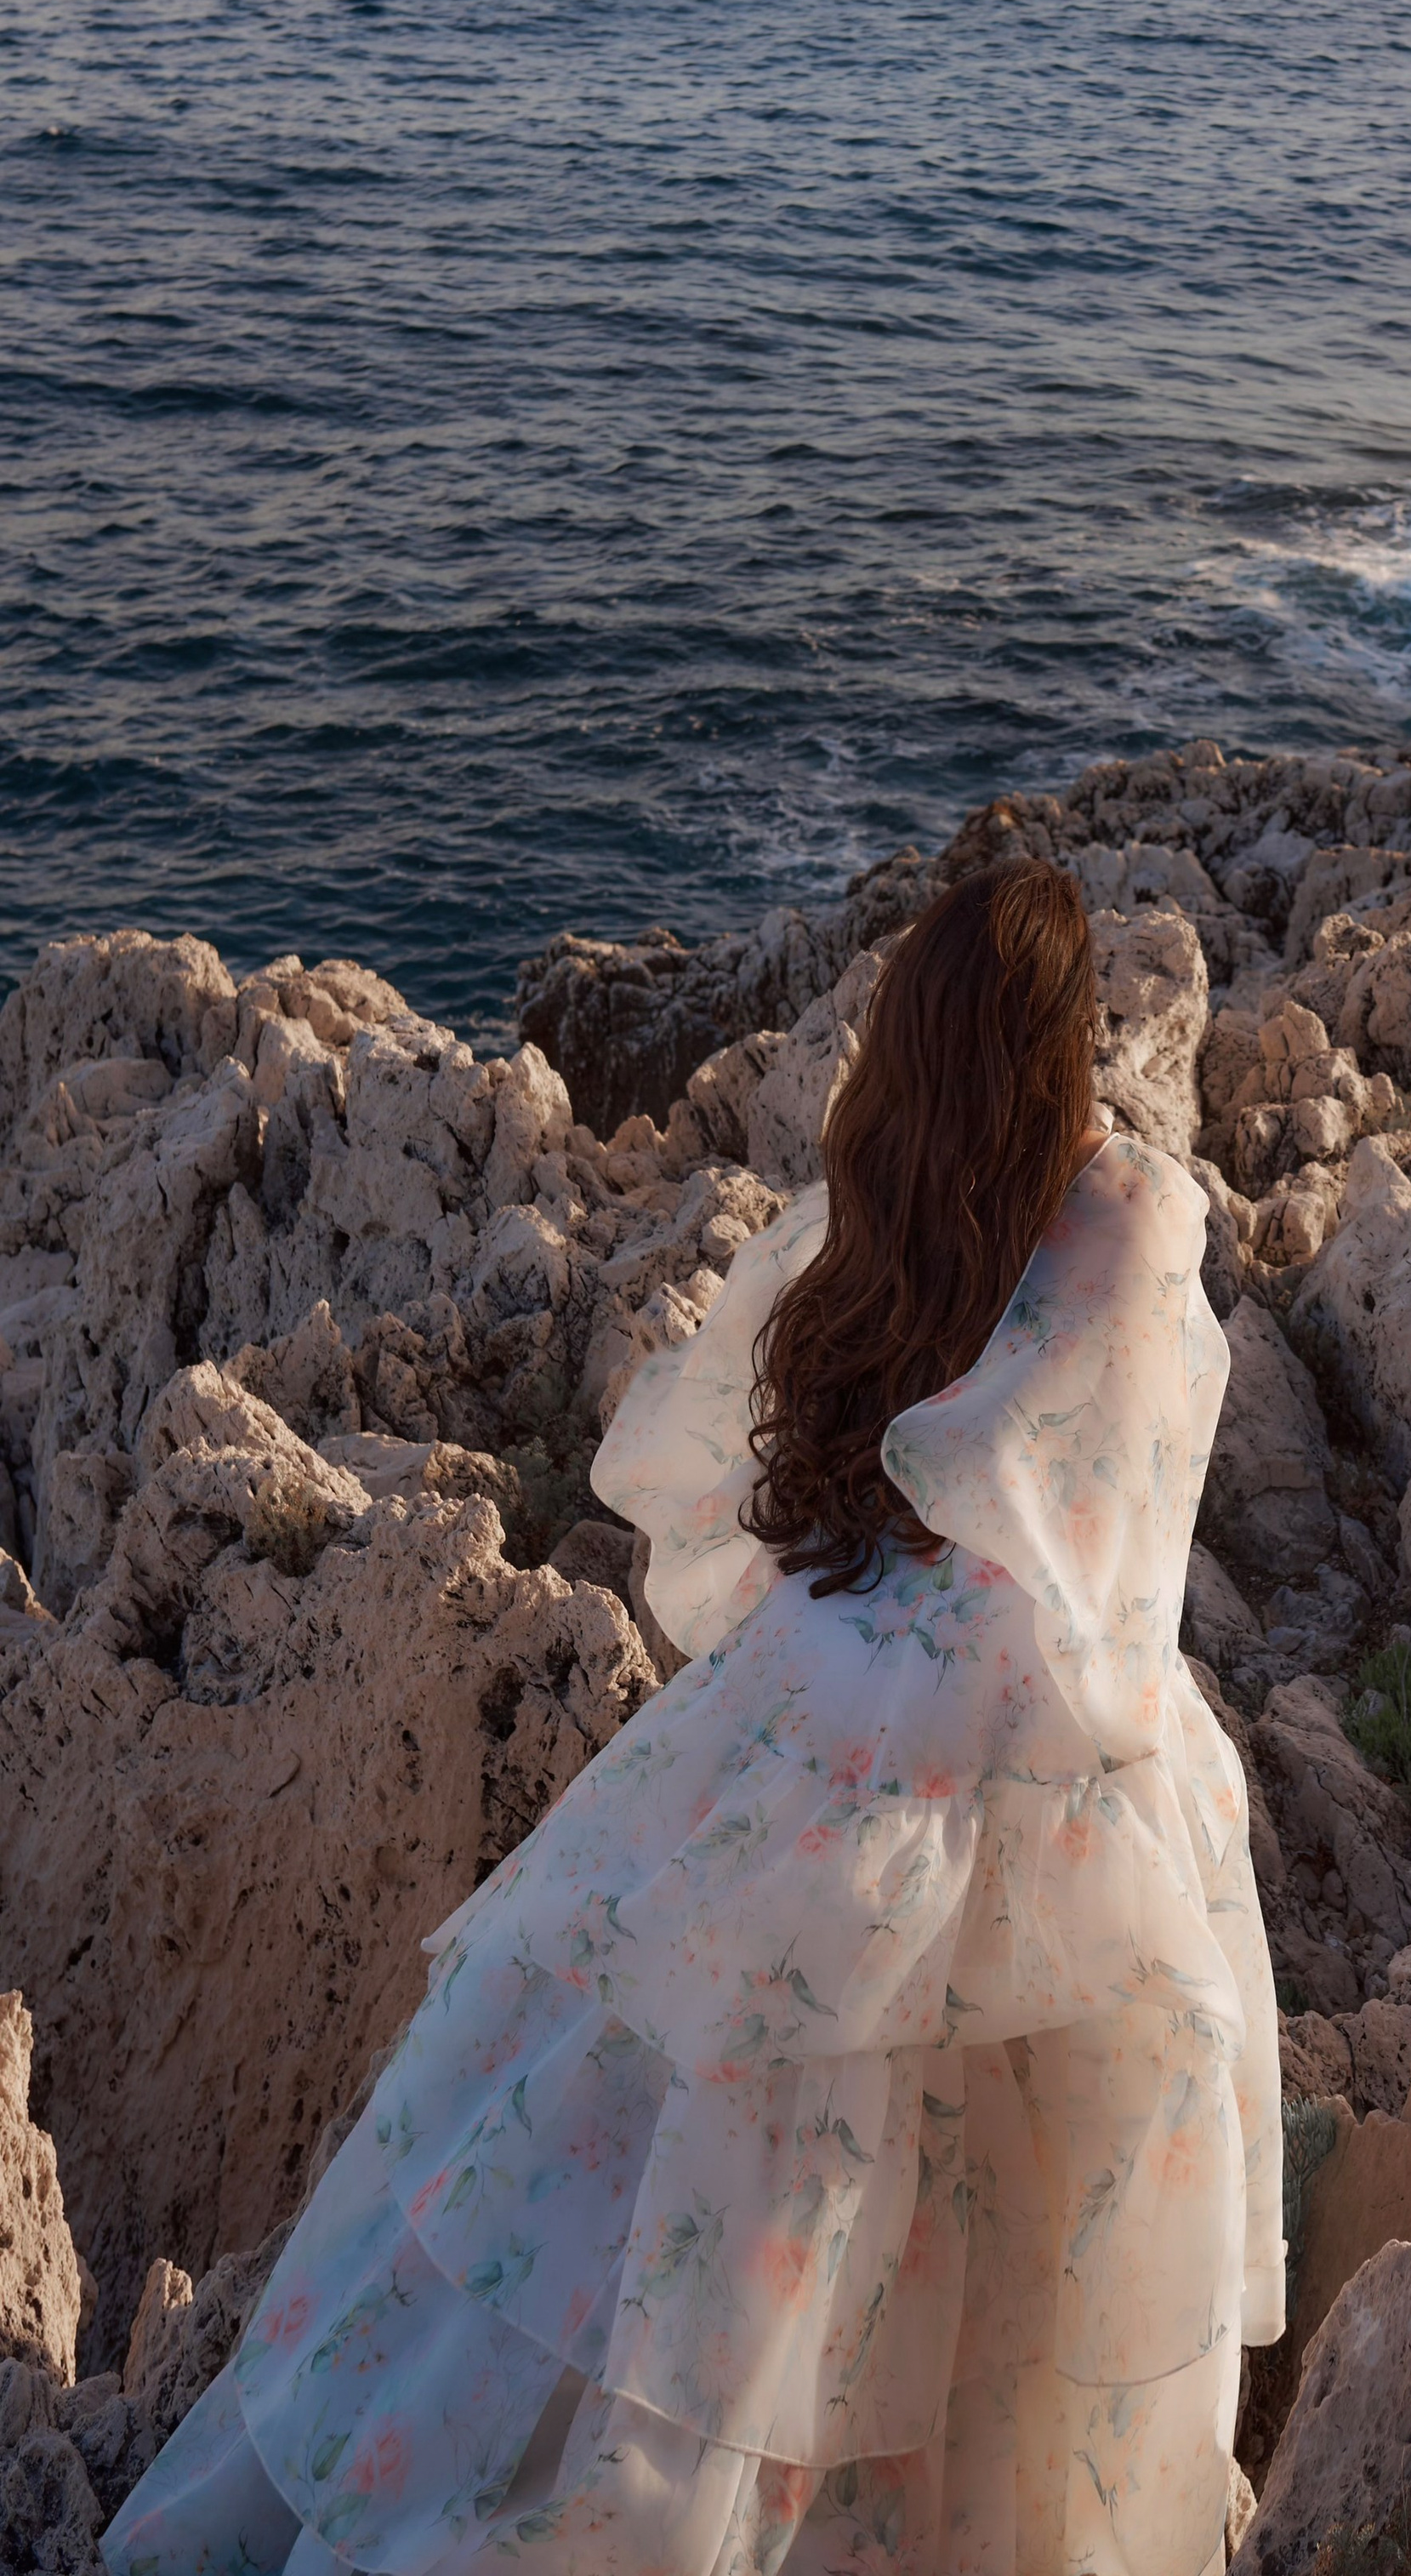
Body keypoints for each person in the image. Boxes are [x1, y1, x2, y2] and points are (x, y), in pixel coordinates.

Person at [105, 859, 1284, 2576]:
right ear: (1061, 1045)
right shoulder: (1129, 1216)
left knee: (652, 2156)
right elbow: (1121, 1528)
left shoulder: (876, 1197)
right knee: (995, 2208)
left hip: (820, 1687)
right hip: (1012, 1724)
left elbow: (809, 1467)